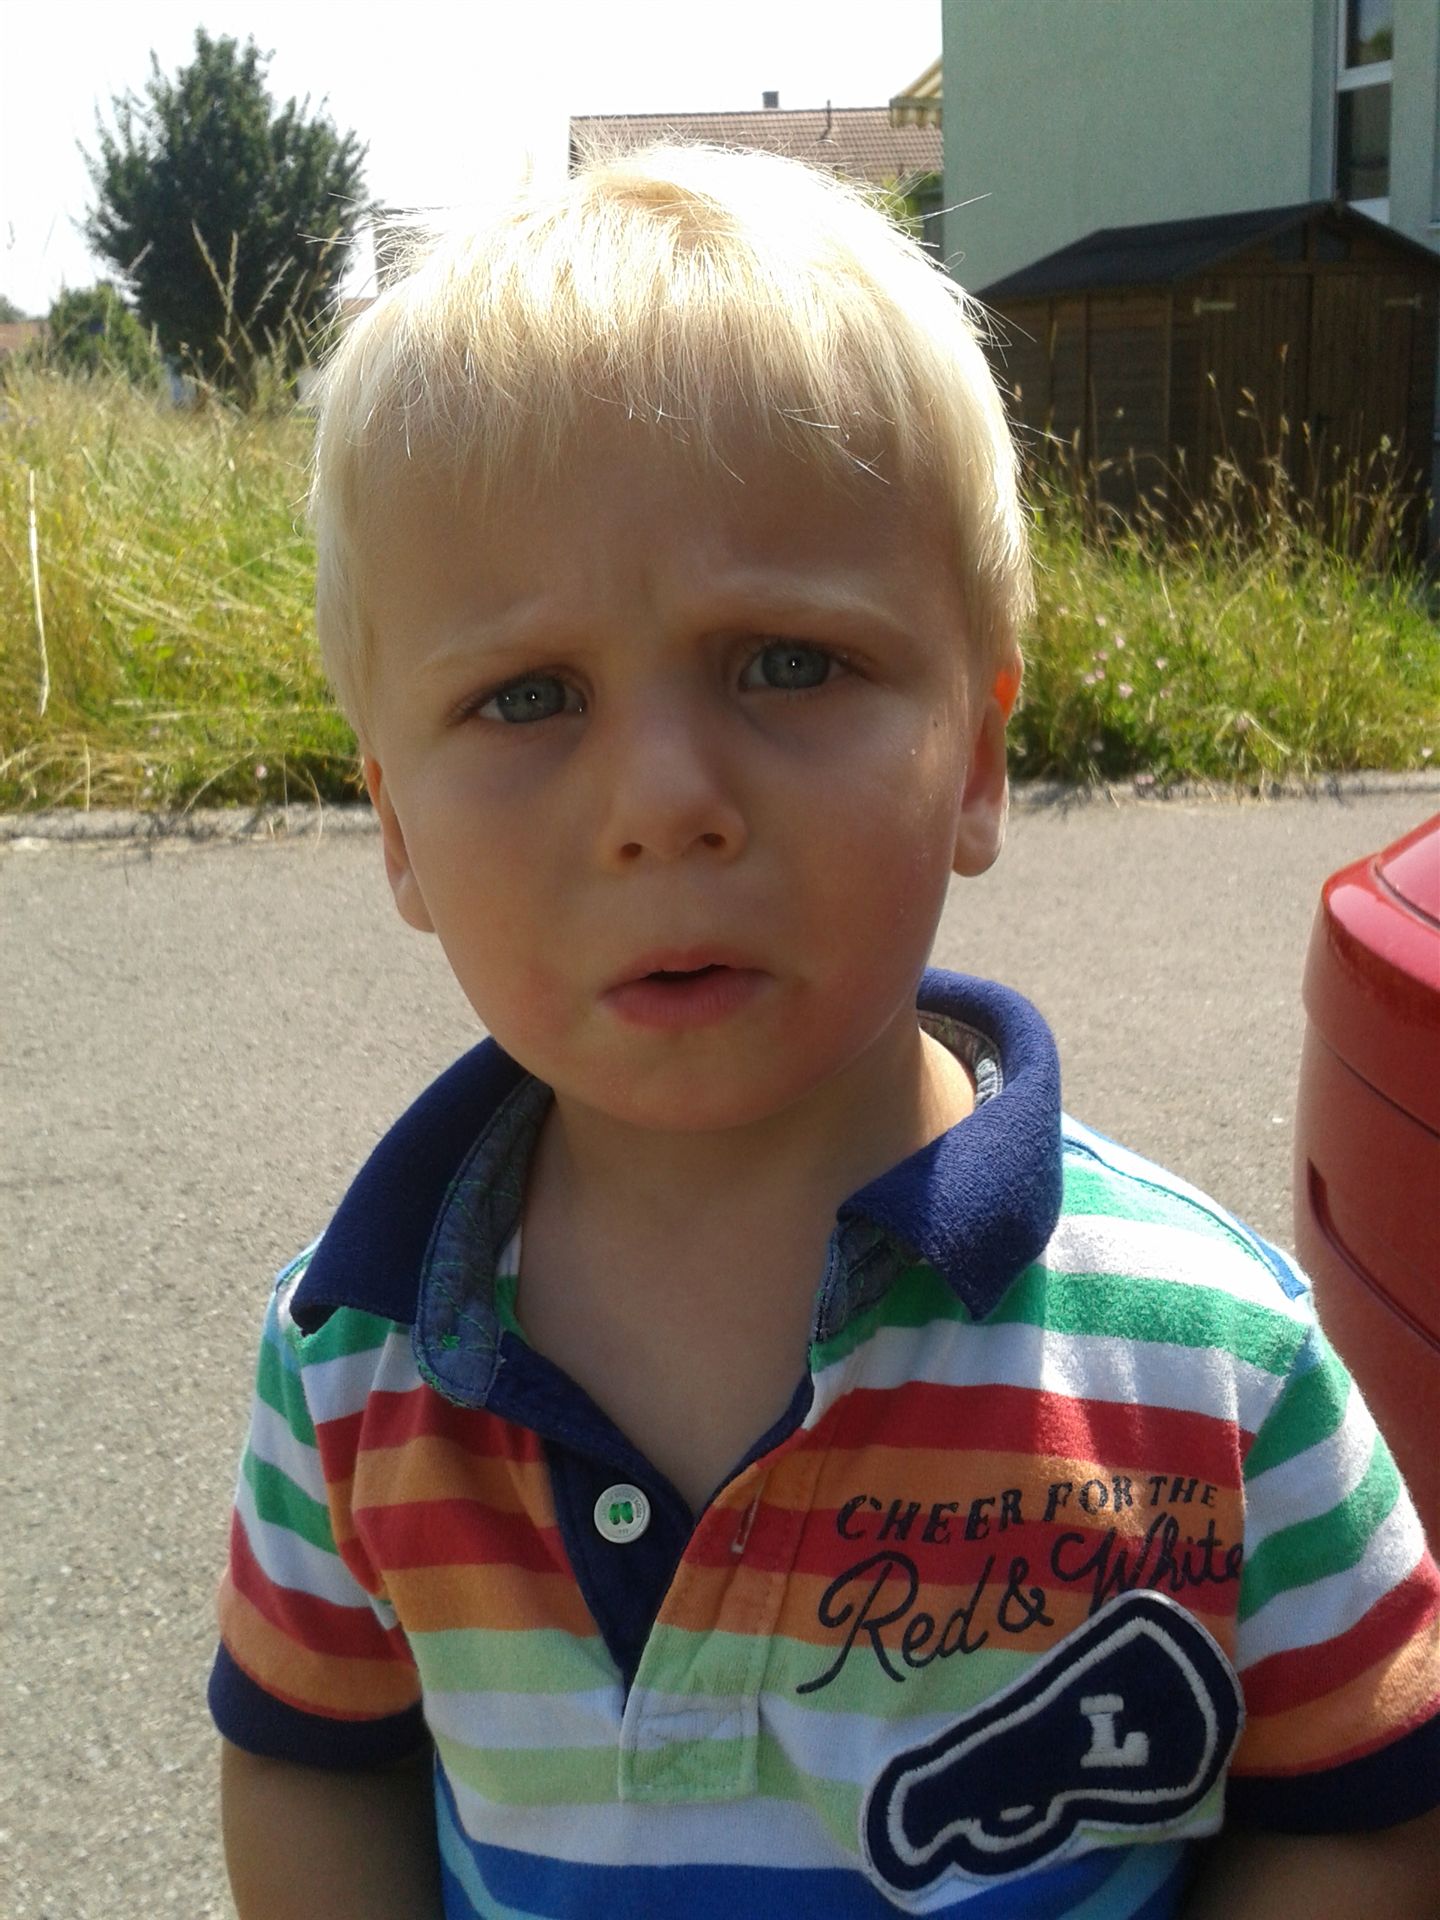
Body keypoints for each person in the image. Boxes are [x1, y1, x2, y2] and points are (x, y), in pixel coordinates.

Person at [211, 145, 1440, 1919]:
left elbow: (1362, 1800)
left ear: (980, 756)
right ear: (395, 825)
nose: (664, 801)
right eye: (527, 696)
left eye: (787, 661)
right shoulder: (352, 1356)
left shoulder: (1209, 1367)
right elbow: (308, 1761)